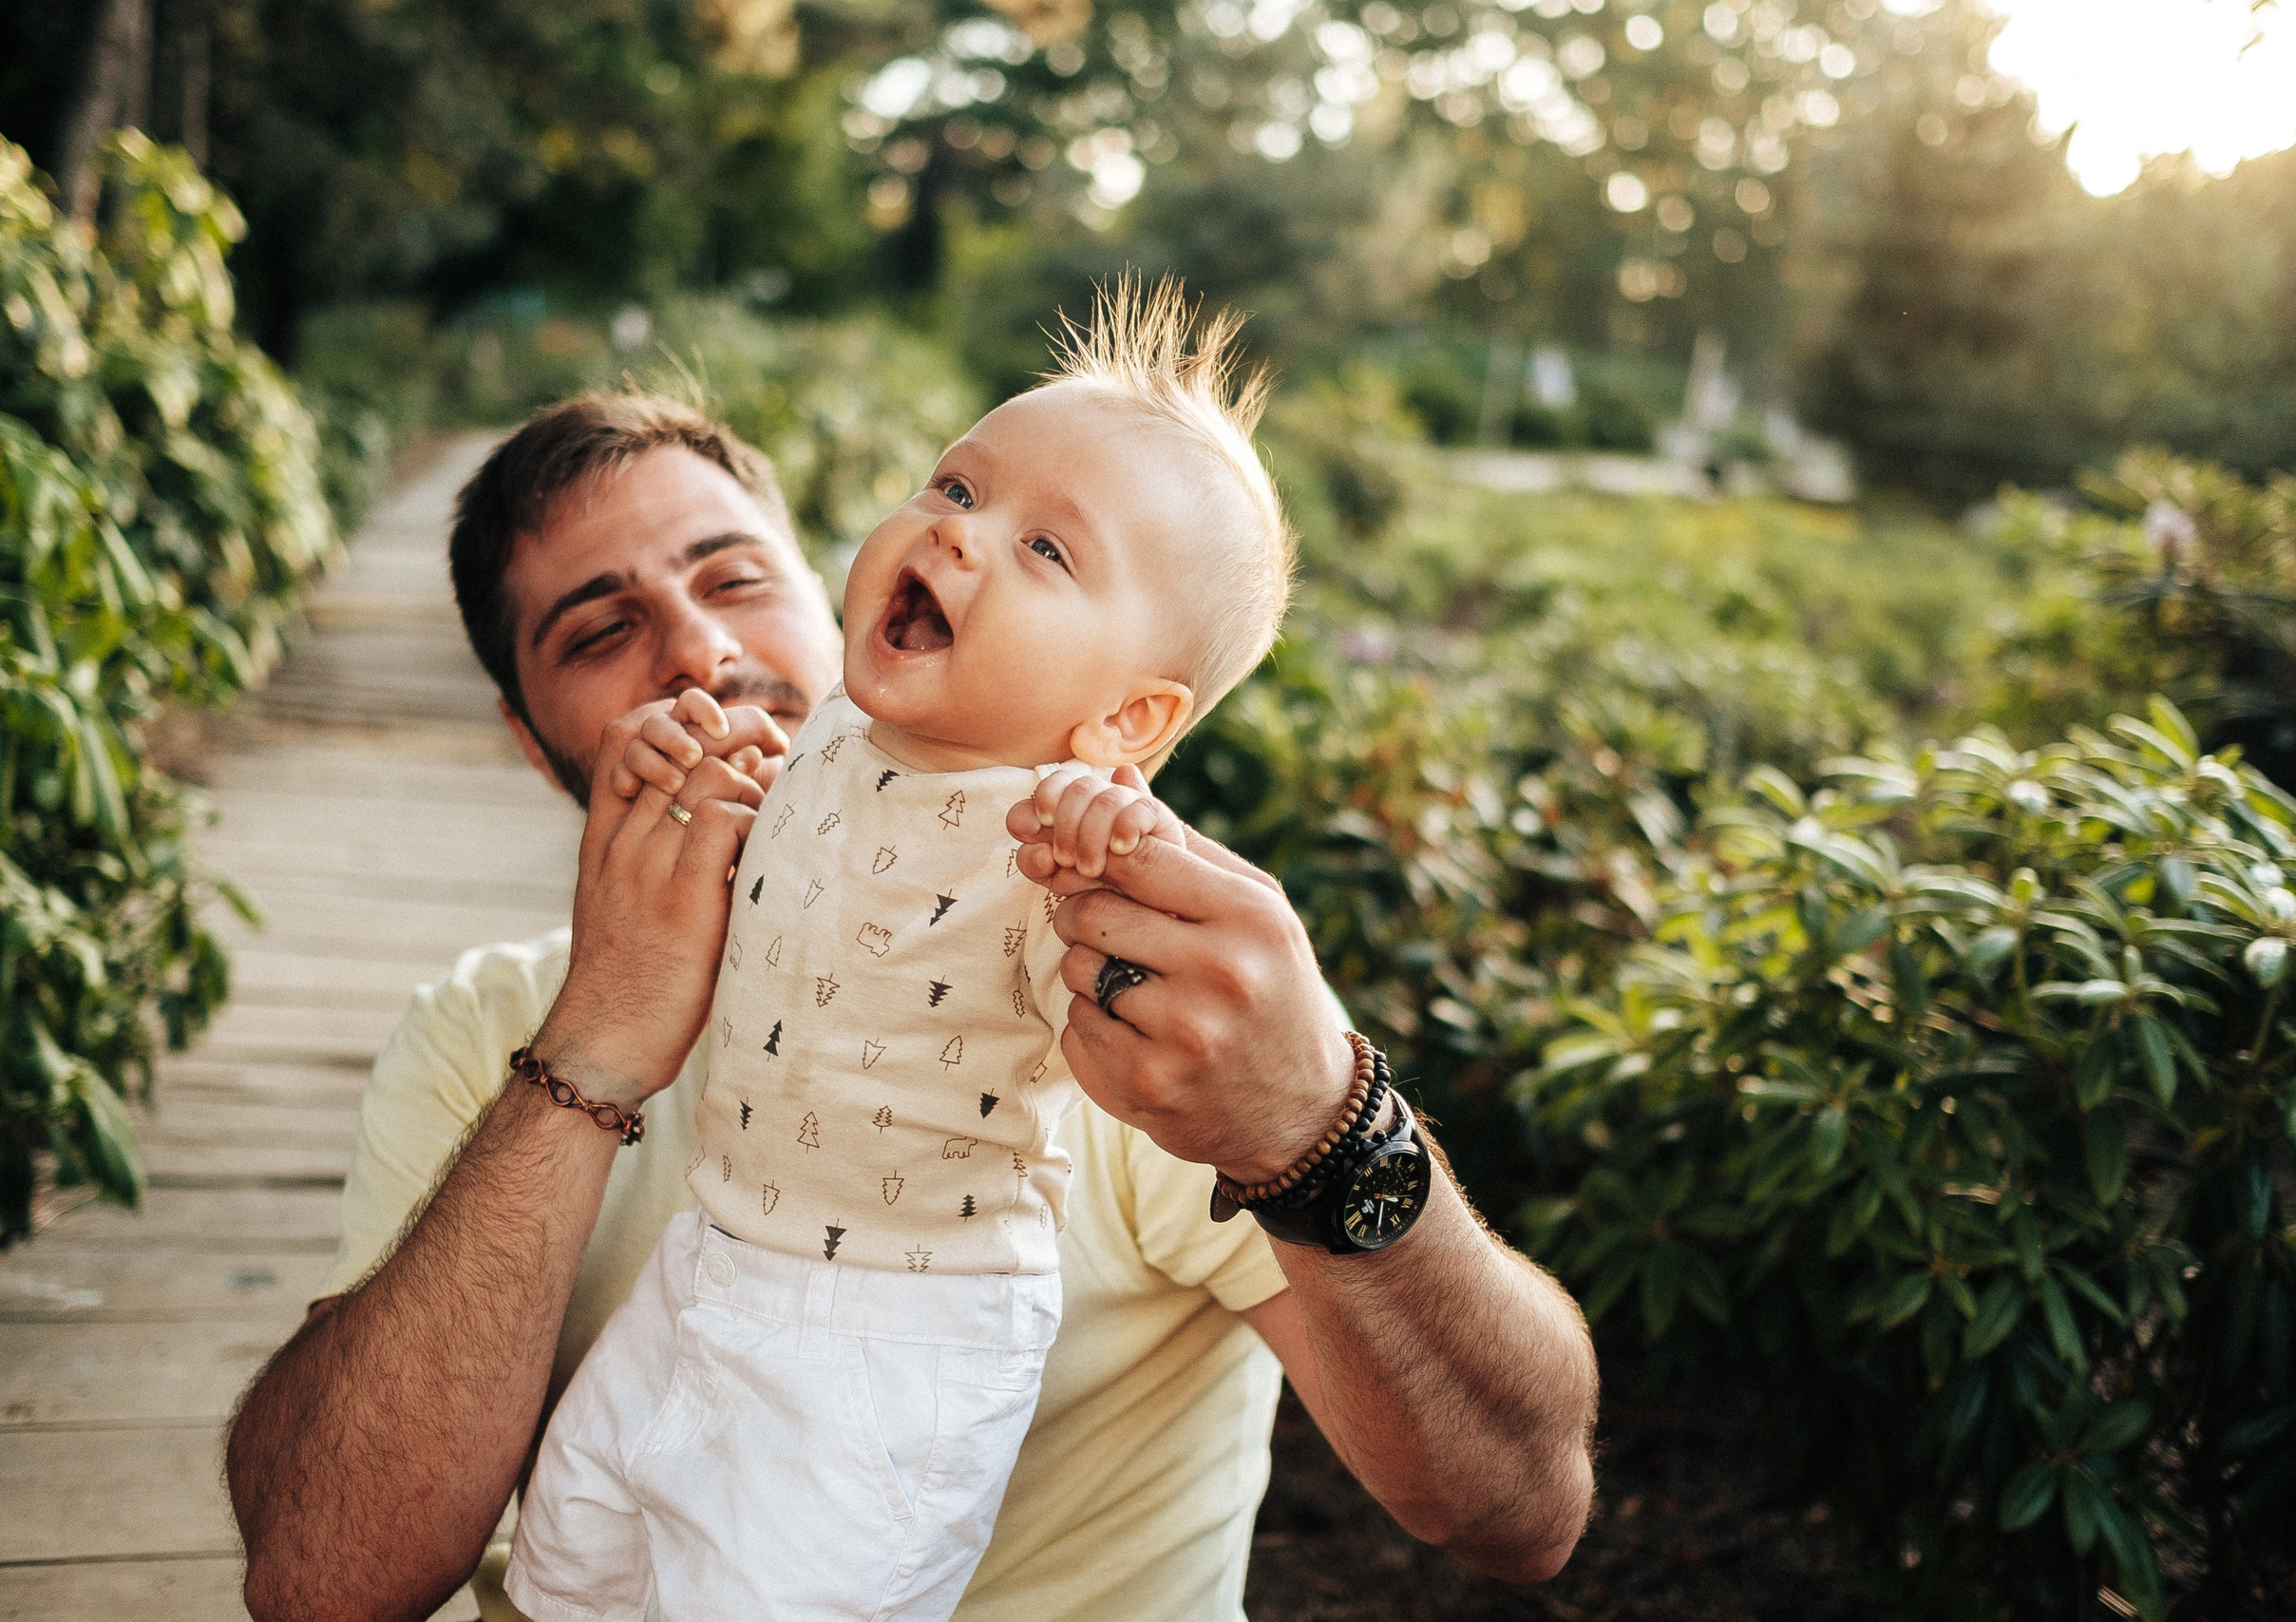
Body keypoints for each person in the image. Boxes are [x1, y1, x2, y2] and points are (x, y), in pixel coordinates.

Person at [224, 336, 1599, 1622]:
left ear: (817, 595)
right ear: (536, 746)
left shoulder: (1117, 973)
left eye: (733, 580)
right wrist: (593, 1043)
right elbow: (318, 1582)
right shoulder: (485, 1032)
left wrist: (1317, 1133)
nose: (698, 652)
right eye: (599, 633)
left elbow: (1520, 1510)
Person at [503, 285, 1295, 1622]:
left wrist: (1121, 847)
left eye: (1046, 549)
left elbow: (1148, 969)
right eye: (957, 487)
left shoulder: (1061, 841)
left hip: (894, 1338)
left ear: (1127, 719)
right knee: (572, 1558)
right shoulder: (824, 732)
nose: (957, 532)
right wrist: (673, 761)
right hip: (712, 1259)